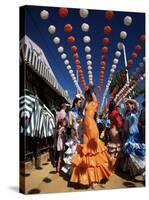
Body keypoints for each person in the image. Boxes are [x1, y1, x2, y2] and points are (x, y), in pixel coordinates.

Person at [70, 85, 114, 188]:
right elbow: (83, 115)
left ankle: (95, 179)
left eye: (87, 95)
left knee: (94, 152)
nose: (86, 96)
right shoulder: (86, 104)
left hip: (93, 129)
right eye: (86, 95)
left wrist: (90, 90)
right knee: (86, 152)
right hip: (86, 130)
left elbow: (94, 97)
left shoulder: (94, 103)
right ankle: (88, 178)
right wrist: (79, 122)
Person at [122, 99, 145, 177]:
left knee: (135, 151)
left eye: (129, 104)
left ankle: (139, 168)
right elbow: (125, 126)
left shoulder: (136, 112)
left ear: (132, 105)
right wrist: (125, 133)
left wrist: (129, 100)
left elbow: (136, 103)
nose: (127, 106)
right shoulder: (127, 115)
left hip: (136, 134)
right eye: (126, 105)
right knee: (130, 152)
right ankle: (132, 170)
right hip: (129, 134)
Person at [61, 96, 84, 174]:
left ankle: (79, 171)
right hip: (74, 132)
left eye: (81, 102)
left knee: (80, 151)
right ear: (75, 103)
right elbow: (70, 123)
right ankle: (73, 172)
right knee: (74, 150)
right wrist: (75, 125)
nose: (81, 104)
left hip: (81, 132)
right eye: (80, 102)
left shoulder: (80, 112)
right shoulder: (70, 112)